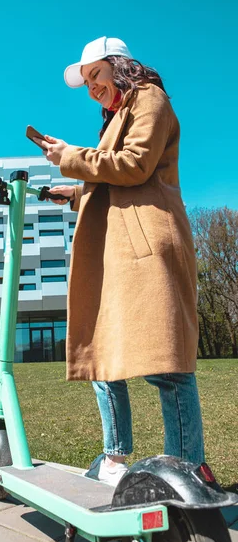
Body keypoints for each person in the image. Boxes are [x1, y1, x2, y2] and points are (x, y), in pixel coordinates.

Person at [34, 36, 205, 486]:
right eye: (86, 81)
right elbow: (113, 177)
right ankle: (114, 459)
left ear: (119, 66)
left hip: (147, 248)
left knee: (166, 365)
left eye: (96, 75)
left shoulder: (149, 97)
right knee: (103, 355)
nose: (91, 86)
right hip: (120, 252)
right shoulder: (115, 118)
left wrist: (70, 158)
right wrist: (71, 193)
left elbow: (134, 166)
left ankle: (189, 468)